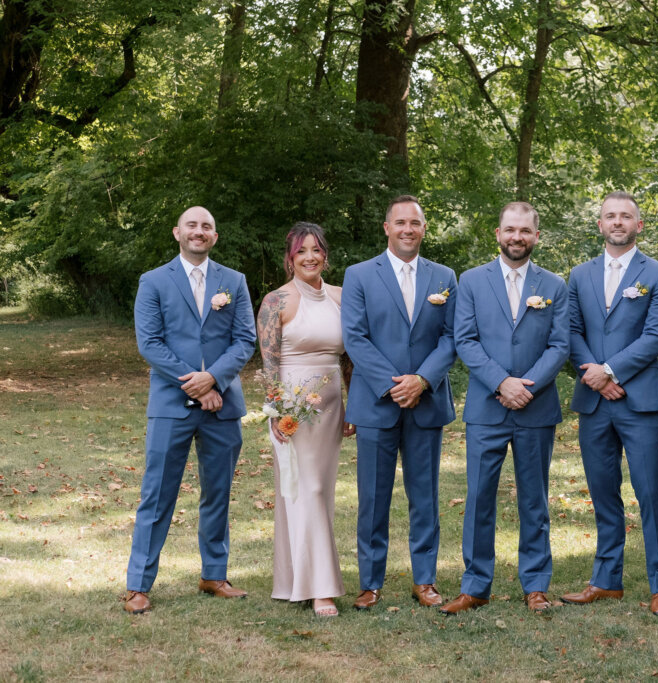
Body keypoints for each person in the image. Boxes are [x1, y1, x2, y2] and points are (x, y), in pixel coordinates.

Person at [123, 206, 256, 614]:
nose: (200, 232)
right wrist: (197, 386)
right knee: (157, 494)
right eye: (193, 225)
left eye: (208, 227)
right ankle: (139, 584)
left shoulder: (233, 281)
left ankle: (214, 574)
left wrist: (214, 379)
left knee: (218, 493)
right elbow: (150, 343)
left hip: (223, 406)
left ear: (215, 236)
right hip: (170, 405)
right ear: (177, 232)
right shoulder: (154, 281)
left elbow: (244, 340)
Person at [440, 201, 569, 615]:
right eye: (510, 229)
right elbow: (465, 340)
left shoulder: (554, 286)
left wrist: (525, 386)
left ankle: (535, 585)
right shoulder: (473, 281)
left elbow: (560, 345)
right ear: (497, 234)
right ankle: (476, 585)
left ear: (536, 236)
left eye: (525, 231)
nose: (517, 237)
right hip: (486, 407)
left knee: (535, 499)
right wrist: (501, 382)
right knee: (479, 497)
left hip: (535, 405)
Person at [560, 192, 658, 615]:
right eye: (610, 216)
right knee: (603, 493)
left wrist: (610, 370)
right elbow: (570, 331)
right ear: (600, 224)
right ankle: (607, 580)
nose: (618, 222)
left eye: (626, 216)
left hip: (638, 400)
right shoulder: (579, 275)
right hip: (594, 401)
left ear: (638, 225)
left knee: (650, 492)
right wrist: (593, 372)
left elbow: (656, 336)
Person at [341, 195, 458, 610]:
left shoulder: (444, 276)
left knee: (424, 495)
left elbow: (451, 337)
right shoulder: (358, 275)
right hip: (376, 403)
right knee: (373, 497)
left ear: (424, 228)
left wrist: (422, 380)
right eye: (400, 222)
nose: (408, 229)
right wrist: (394, 385)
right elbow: (355, 337)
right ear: (386, 228)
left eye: (416, 222)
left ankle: (424, 580)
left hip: (425, 402)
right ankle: (370, 582)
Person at [257, 222, 355, 617]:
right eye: (301, 251)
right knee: (305, 488)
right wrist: (278, 412)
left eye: (316, 250)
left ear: (325, 255)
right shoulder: (275, 302)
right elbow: (268, 364)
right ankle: (320, 589)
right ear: (290, 258)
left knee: (319, 492)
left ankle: (295, 578)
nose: (310, 257)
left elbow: (349, 359)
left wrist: (355, 407)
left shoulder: (342, 297)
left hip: (332, 409)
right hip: (294, 409)